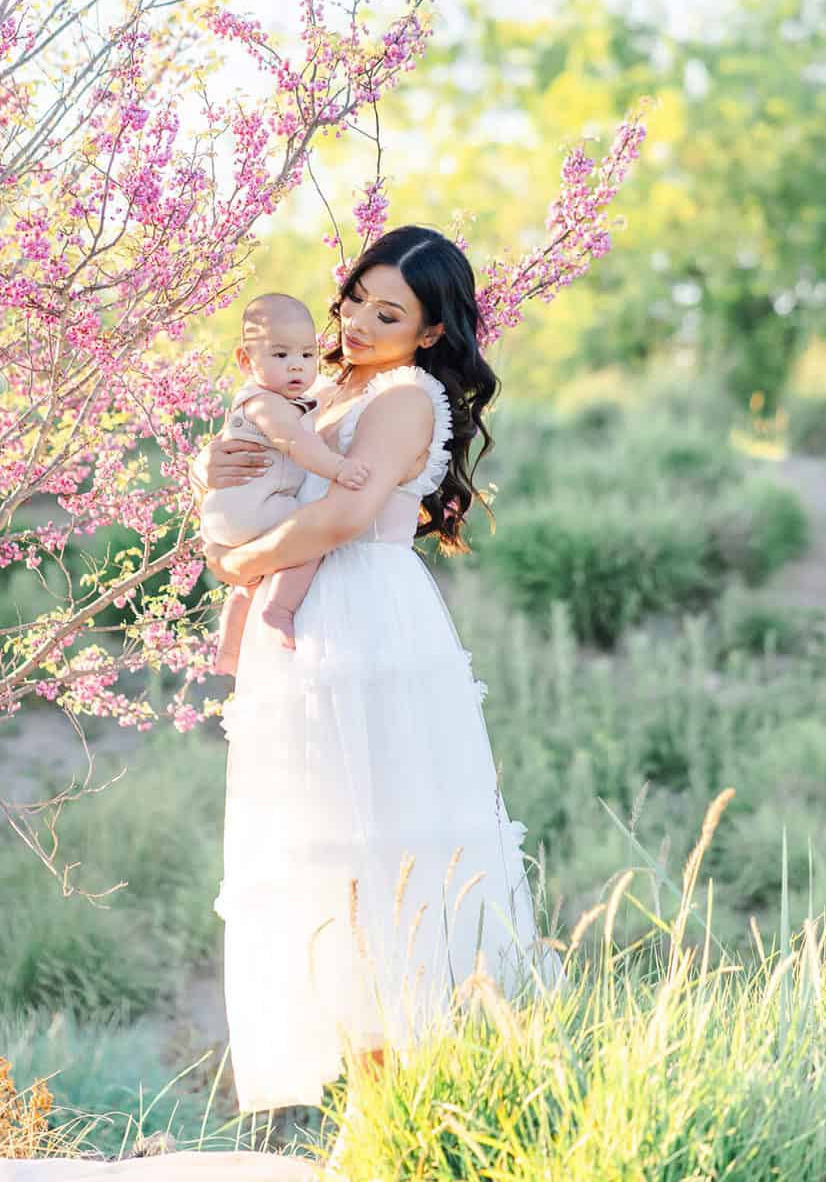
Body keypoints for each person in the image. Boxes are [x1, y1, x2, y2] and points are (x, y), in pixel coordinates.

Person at [191, 224, 562, 1127]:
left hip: (363, 628)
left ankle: (405, 1116)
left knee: (380, 847)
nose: (356, 319)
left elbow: (347, 515)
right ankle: (370, 1115)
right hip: (305, 627)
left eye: (387, 312)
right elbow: (259, 510)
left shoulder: (405, 398)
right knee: (322, 853)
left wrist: (245, 569)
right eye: (355, 296)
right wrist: (218, 496)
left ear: (431, 332)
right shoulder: (312, 386)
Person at [200, 291, 370, 674]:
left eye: (307, 355)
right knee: (305, 539)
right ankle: (279, 608)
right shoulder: (266, 403)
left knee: (247, 584)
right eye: (280, 355)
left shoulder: (284, 399)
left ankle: (228, 651)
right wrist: (338, 468)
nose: (297, 366)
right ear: (246, 360)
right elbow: (296, 443)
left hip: (233, 509)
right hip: (253, 507)